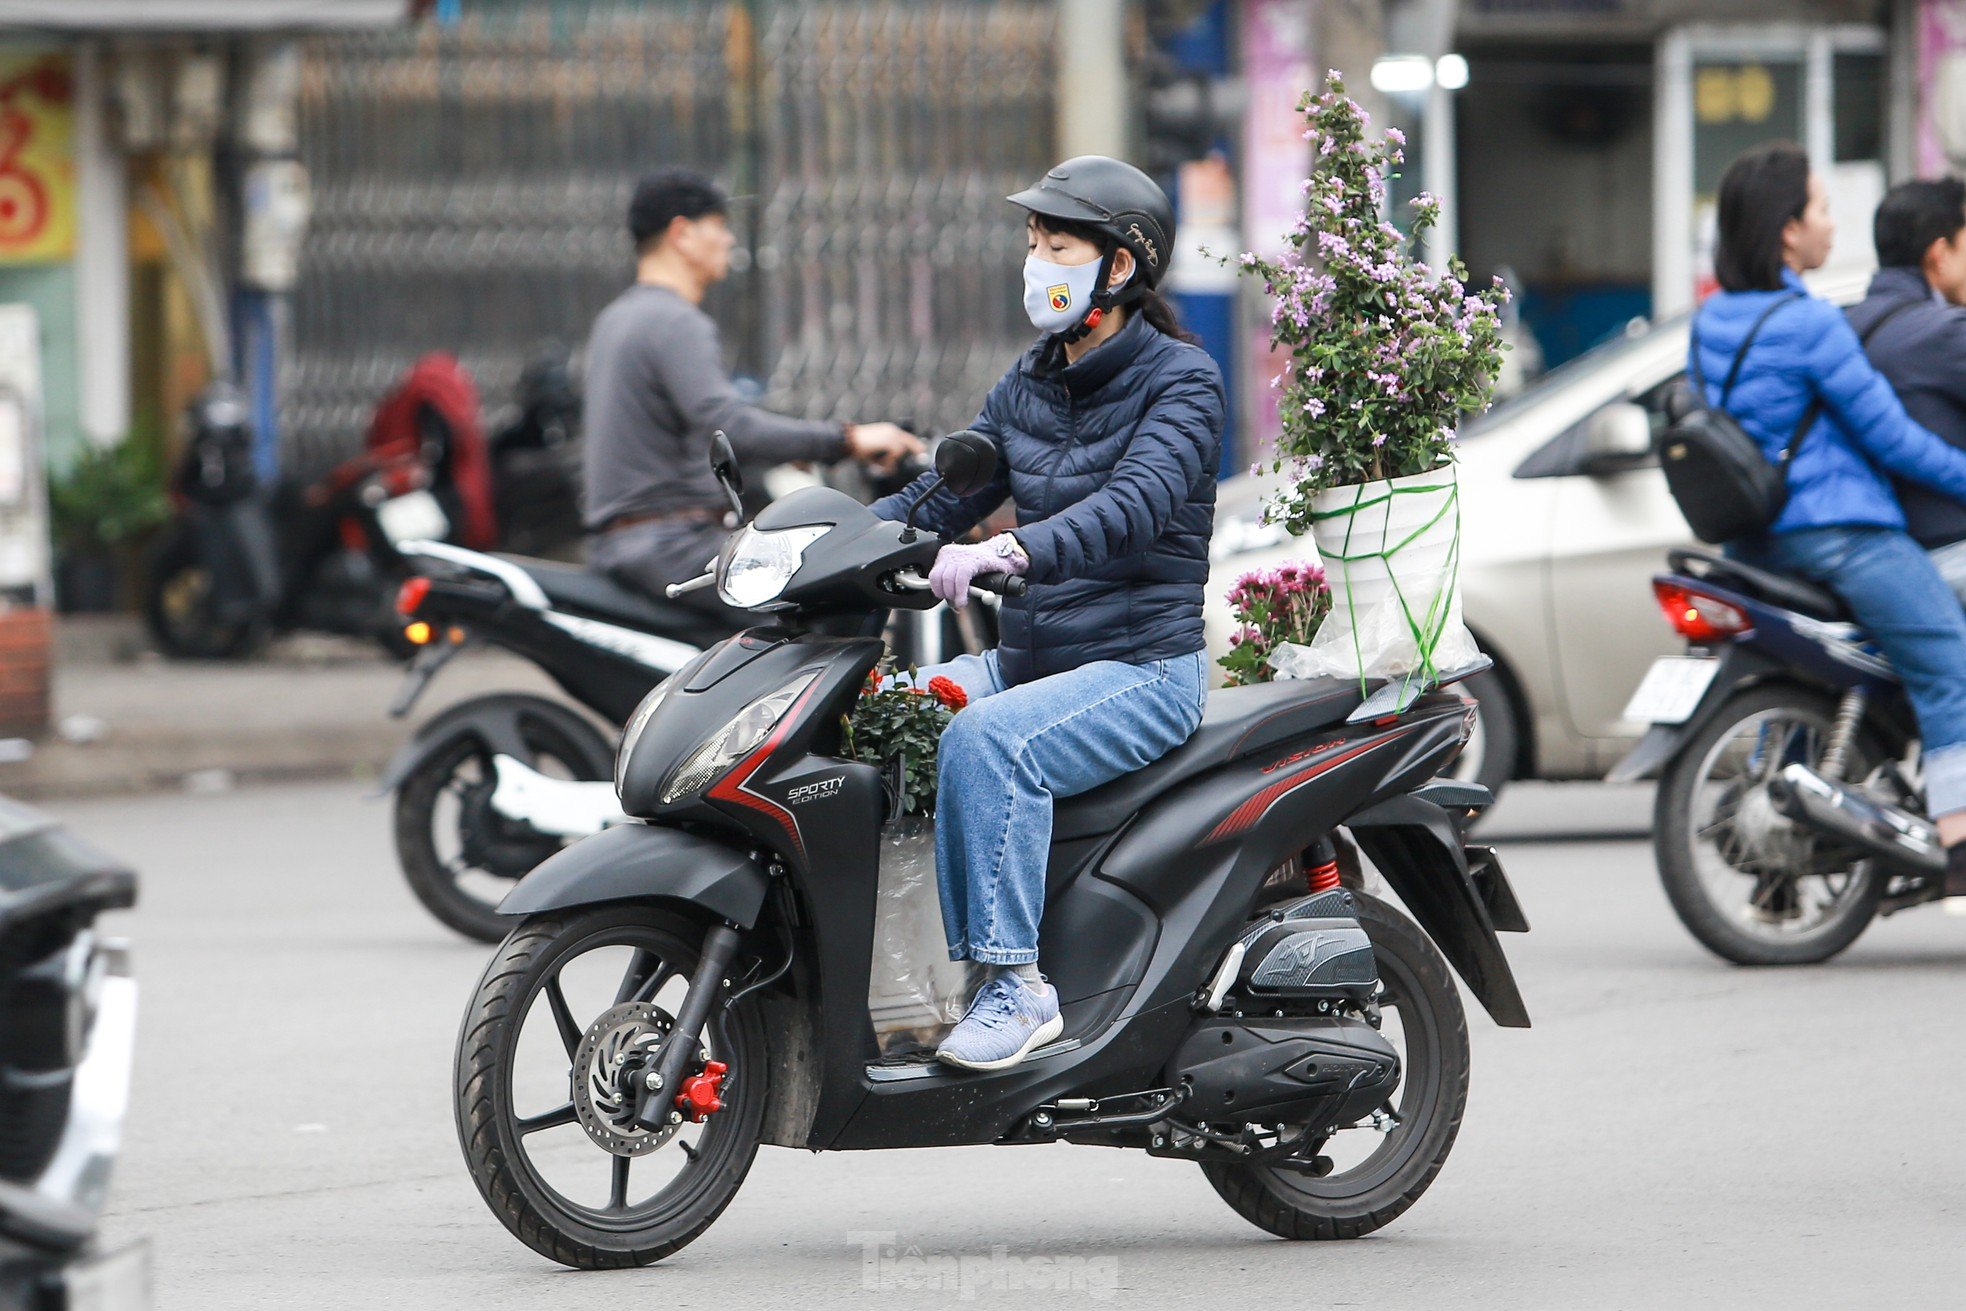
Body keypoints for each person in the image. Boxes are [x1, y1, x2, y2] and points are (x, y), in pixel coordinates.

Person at [872, 156, 1225, 1070]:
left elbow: (1137, 505)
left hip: (1140, 668)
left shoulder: (1182, 382)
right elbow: (940, 496)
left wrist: (1011, 549)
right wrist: (814, 549)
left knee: (987, 741)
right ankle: (901, 982)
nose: (1036, 260)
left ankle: (1015, 986)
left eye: (1056, 243)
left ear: (1117, 268)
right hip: (1032, 660)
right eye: (1032, 241)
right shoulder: (1028, 383)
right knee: (878, 722)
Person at [1698, 143, 1966, 892]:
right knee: (1950, 661)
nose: (1829, 224)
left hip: (1753, 538)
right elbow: (1894, 439)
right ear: (1787, 230)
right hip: (1840, 533)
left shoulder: (1713, 318)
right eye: (1819, 209)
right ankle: (1959, 841)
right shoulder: (1811, 325)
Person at [582, 167, 923, 621]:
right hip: (670, 544)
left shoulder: (618, 318)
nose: (728, 241)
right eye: (719, 227)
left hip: (628, 542)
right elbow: (730, 425)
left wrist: (790, 449)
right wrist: (848, 439)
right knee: (829, 599)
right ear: (681, 233)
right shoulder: (675, 322)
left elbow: (689, 429)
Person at [1848, 177, 1966, 602]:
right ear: (1940, 254)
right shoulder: (1945, 332)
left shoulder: (1848, 328)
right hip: (1949, 552)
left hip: (1881, 554)